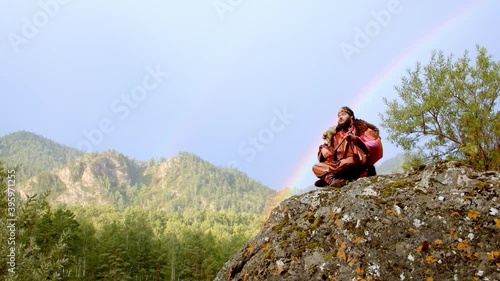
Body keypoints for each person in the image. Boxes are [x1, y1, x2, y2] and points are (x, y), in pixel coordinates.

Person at [312, 106, 383, 187]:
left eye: (343, 114)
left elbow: (373, 143)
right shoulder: (335, 136)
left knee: (350, 161)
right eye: (338, 116)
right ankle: (333, 180)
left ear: (351, 116)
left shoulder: (361, 128)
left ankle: (327, 177)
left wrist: (356, 140)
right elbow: (327, 148)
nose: (340, 117)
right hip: (339, 165)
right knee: (316, 167)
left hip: (355, 164)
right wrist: (324, 149)